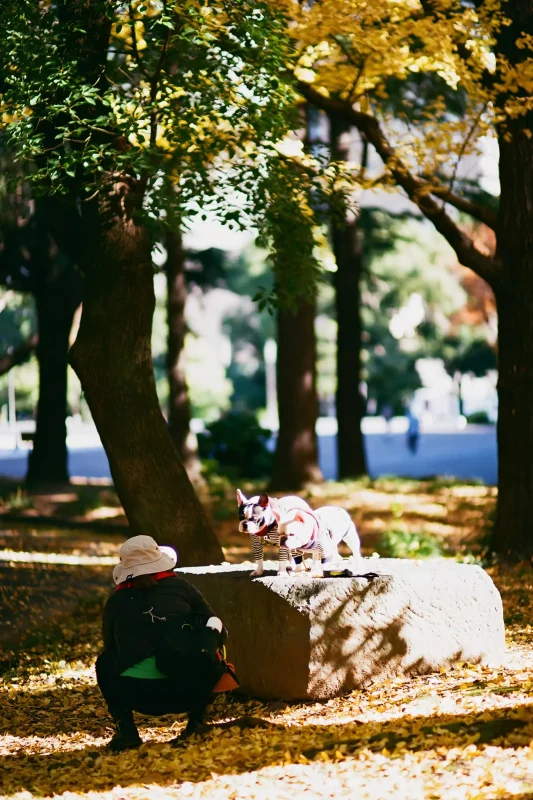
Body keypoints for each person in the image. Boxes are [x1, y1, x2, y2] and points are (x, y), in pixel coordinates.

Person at [96, 535, 235, 752]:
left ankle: (127, 732)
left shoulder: (117, 601)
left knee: (104, 662)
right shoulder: (183, 588)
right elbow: (220, 631)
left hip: (138, 694)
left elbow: (111, 646)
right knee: (207, 642)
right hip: (190, 688)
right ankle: (196, 721)